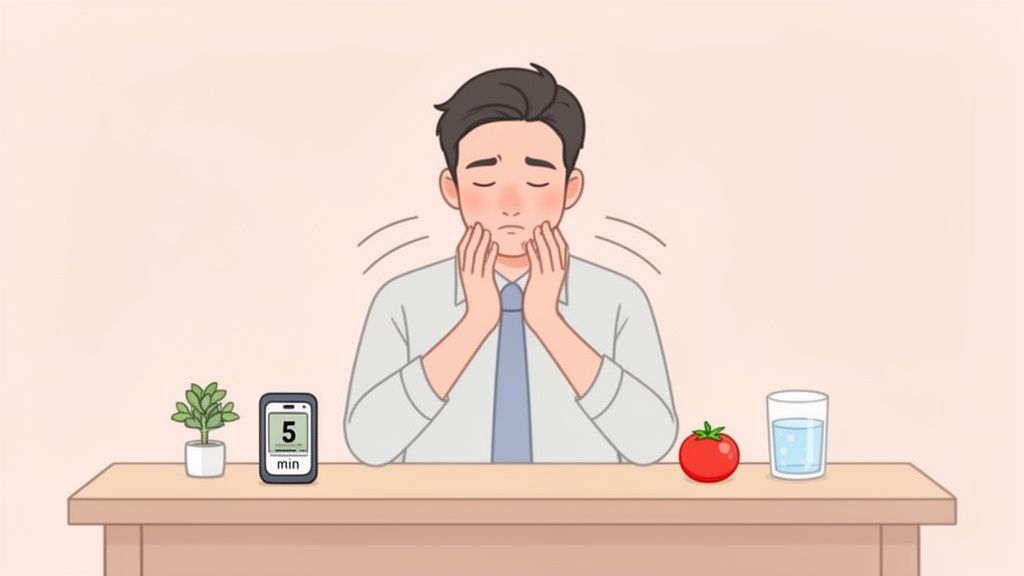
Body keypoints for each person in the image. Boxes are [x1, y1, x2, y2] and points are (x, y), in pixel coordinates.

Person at [344, 63, 678, 465]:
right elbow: (367, 443)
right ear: (452, 188)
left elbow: (653, 442)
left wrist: (547, 321)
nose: (511, 205)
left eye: (536, 180)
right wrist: (476, 321)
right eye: (485, 179)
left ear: (571, 188)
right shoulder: (403, 300)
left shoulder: (619, 299)